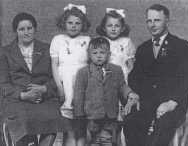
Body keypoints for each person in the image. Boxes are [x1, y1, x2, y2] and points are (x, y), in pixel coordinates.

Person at [123, 4, 188, 146]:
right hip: (147, 102)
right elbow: (135, 77)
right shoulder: (143, 48)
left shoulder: (182, 46)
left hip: (173, 103)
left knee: (163, 124)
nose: (152, 25)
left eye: (157, 20)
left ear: (167, 22)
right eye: (149, 21)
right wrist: (134, 96)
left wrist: (172, 102)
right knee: (130, 121)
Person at [0, 12, 72, 146]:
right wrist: (23, 95)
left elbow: (56, 75)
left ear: (35, 29)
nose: (26, 32)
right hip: (18, 100)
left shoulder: (46, 48)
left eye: (30, 28)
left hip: (44, 98)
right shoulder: (5, 52)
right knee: (24, 118)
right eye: (22, 29)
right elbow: (2, 83)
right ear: (15, 31)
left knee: (52, 115)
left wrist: (45, 88)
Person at [74, 37, 140, 146]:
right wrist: (79, 115)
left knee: (106, 140)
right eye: (95, 53)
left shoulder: (116, 69)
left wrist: (130, 93)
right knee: (94, 140)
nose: (98, 55)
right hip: (92, 113)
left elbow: (122, 86)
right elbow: (79, 95)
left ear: (109, 54)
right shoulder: (83, 72)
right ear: (89, 55)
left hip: (110, 113)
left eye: (102, 52)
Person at [49, 3, 91, 146]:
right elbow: (54, 65)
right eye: (70, 23)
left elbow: (91, 66)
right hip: (64, 82)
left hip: (81, 81)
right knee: (67, 120)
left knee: (80, 118)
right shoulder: (58, 40)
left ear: (83, 25)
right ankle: (69, 140)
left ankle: (80, 142)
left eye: (77, 23)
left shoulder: (86, 40)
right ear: (64, 23)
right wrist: (59, 87)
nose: (73, 26)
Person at [96, 8, 136, 146]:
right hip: (105, 80)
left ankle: (120, 142)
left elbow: (131, 66)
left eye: (117, 26)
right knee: (107, 116)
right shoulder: (99, 41)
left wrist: (127, 82)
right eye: (109, 25)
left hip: (122, 79)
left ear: (122, 28)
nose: (113, 29)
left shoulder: (126, 42)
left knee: (122, 118)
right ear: (103, 27)